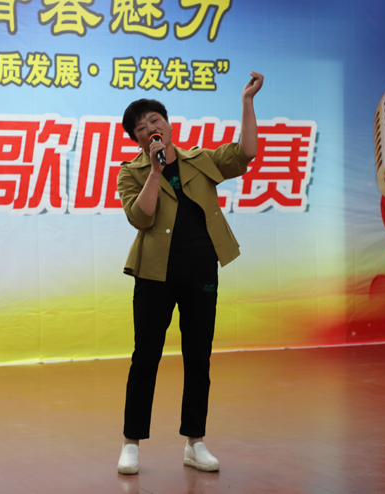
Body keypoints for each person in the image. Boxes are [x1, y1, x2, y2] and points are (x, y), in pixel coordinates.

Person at [115, 71, 264, 475]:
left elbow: (246, 152)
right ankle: (131, 443)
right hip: (153, 274)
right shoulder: (131, 173)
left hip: (201, 269)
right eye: (141, 128)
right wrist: (155, 171)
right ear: (137, 139)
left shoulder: (200, 159)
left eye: (155, 121)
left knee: (198, 356)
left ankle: (195, 442)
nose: (150, 128)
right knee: (145, 357)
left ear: (167, 124)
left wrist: (247, 102)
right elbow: (141, 217)